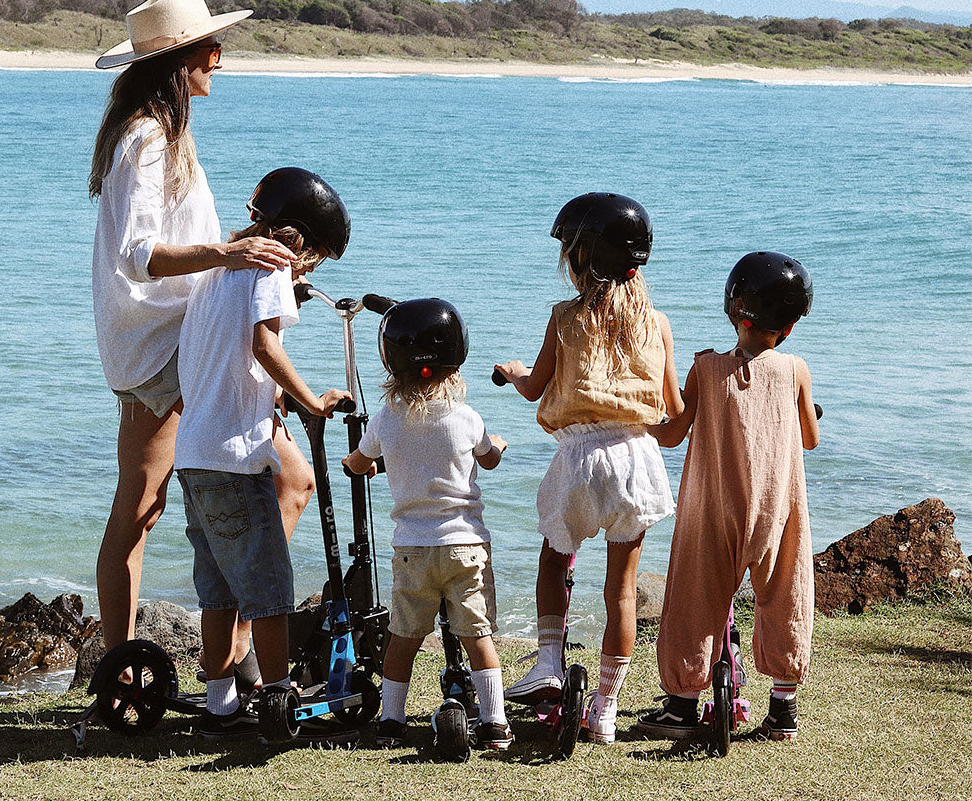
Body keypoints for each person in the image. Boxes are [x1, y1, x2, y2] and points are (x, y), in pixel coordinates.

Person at [90, 0, 314, 674]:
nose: (220, 57)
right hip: (160, 344)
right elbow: (142, 256)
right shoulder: (147, 139)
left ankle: (235, 648)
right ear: (179, 61)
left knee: (290, 479)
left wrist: (242, 264)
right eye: (210, 48)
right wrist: (230, 255)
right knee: (141, 507)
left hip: (192, 334)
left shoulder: (166, 131)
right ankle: (123, 669)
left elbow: (181, 245)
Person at [494, 193, 683, 745]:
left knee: (555, 560)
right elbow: (671, 426)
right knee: (621, 591)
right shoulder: (660, 325)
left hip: (580, 457)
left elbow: (535, 390)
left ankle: (549, 661)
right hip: (637, 457)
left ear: (580, 260)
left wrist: (512, 371)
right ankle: (603, 707)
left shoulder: (565, 318)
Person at [174, 167, 353, 736]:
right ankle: (278, 694)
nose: (307, 271)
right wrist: (311, 404)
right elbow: (263, 343)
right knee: (271, 586)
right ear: (295, 239)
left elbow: (231, 357)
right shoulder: (272, 265)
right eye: (314, 257)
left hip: (194, 452)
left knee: (218, 585)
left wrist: (275, 400)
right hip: (234, 456)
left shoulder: (218, 268)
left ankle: (220, 702)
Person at [639, 251, 819, 742]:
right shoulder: (795, 370)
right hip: (776, 510)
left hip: (711, 509)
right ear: (789, 326)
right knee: (785, 595)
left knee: (694, 600)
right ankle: (783, 707)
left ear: (732, 310)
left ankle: (681, 706)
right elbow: (809, 438)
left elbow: (673, 432)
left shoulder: (706, 367)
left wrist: (633, 420)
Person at [342, 298, 512, 750]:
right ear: (454, 364)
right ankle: (493, 720)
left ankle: (392, 720)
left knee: (404, 637)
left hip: (413, 548)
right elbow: (489, 460)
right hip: (465, 545)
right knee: (477, 634)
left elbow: (360, 463)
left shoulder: (385, 420)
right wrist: (497, 443)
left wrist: (355, 462)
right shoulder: (467, 418)